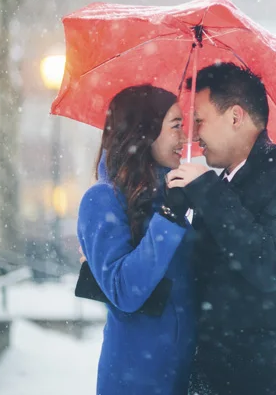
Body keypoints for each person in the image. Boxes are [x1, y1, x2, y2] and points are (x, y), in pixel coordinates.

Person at [167, 63, 276, 395]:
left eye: (200, 121)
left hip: (267, 381)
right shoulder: (214, 190)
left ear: (236, 117)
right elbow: (193, 283)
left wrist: (208, 192)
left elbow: (269, 267)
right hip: (209, 380)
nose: (193, 135)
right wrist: (167, 216)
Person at [77, 85, 196, 395]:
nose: (185, 137)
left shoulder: (171, 198)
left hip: (183, 378)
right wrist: (170, 218)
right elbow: (125, 291)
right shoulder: (102, 200)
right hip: (136, 380)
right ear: (145, 131)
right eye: (175, 126)